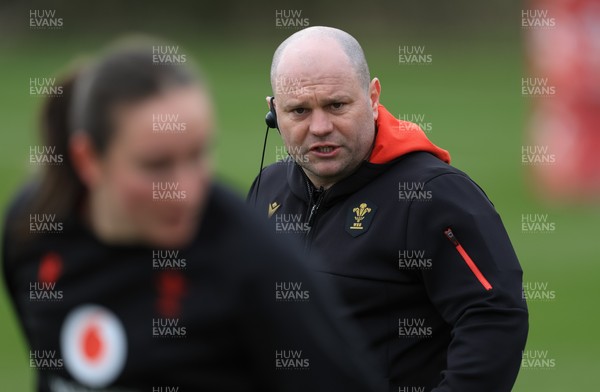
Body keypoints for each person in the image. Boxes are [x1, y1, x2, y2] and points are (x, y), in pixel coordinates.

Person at [2, 39, 383, 391]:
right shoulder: (35, 229)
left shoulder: (259, 263)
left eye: (197, 155)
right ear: (89, 160)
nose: (185, 191)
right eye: (156, 165)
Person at [248, 26, 529, 392]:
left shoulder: (434, 196)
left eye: (336, 105)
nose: (320, 127)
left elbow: (494, 318)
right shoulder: (267, 188)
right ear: (273, 113)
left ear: (373, 96)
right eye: (299, 111)